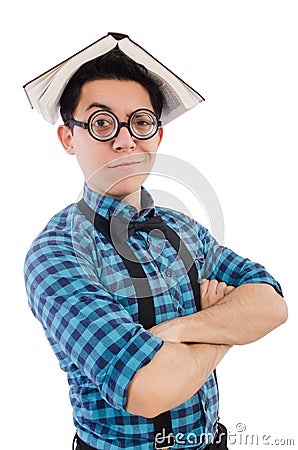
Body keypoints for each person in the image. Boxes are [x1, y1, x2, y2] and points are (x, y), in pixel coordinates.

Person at [24, 34, 287, 450]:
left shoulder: (183, 229)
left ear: (158, 136)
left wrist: (179, 331)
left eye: (141, 122)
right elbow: (149, 389)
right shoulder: (56, 253)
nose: (125, 139)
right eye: (101, 122)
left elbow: (272, 303)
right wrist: (224, 324)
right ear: (68, 138)